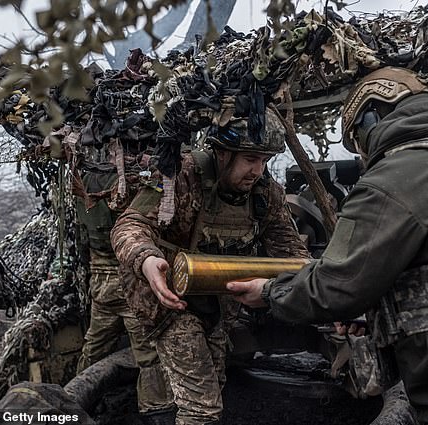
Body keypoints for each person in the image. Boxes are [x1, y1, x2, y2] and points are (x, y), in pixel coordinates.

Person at [227, 67, 428, 424]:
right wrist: (381, 313)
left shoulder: (391, 182)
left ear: (372, 118)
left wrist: (270, 293)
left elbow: (335, 287)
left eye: (358, 137)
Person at [110, 108, 310, 425]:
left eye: (264, 160)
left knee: (214, 383)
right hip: (170, 302)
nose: (257, 170)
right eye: (249, 159)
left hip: (222, 304)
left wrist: (321, 288)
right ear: (222, 152)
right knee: (201, 408)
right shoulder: (180, 174)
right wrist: (147, 258)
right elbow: (129, 226)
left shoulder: (264, 195)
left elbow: (293, 255)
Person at [74, 148, 175, 425]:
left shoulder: (82, 181)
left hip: (100, 282)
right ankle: (157, 412)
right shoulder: (130, 184)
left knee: (94, 346)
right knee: (148, 353)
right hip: (130, 280)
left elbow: (81, 239)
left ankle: (73, 402)